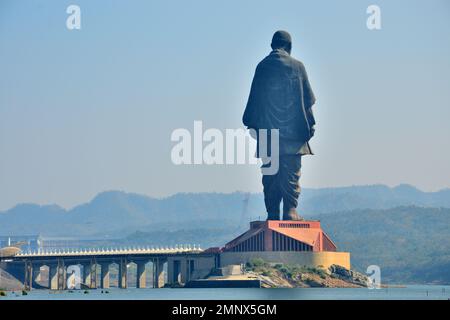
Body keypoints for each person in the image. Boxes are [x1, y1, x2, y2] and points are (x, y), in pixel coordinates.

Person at [243, 30, 316, 220]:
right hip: (293, 136)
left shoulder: (262, 67)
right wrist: (310, 125)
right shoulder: (298, 67)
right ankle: (290, 211)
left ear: (272, 46)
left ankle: (273, 213)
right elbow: (307, 101)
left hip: (268, 135)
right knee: (292, 175)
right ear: (289, 47)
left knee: (270, 176)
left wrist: (252, 123)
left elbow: (253, 104)